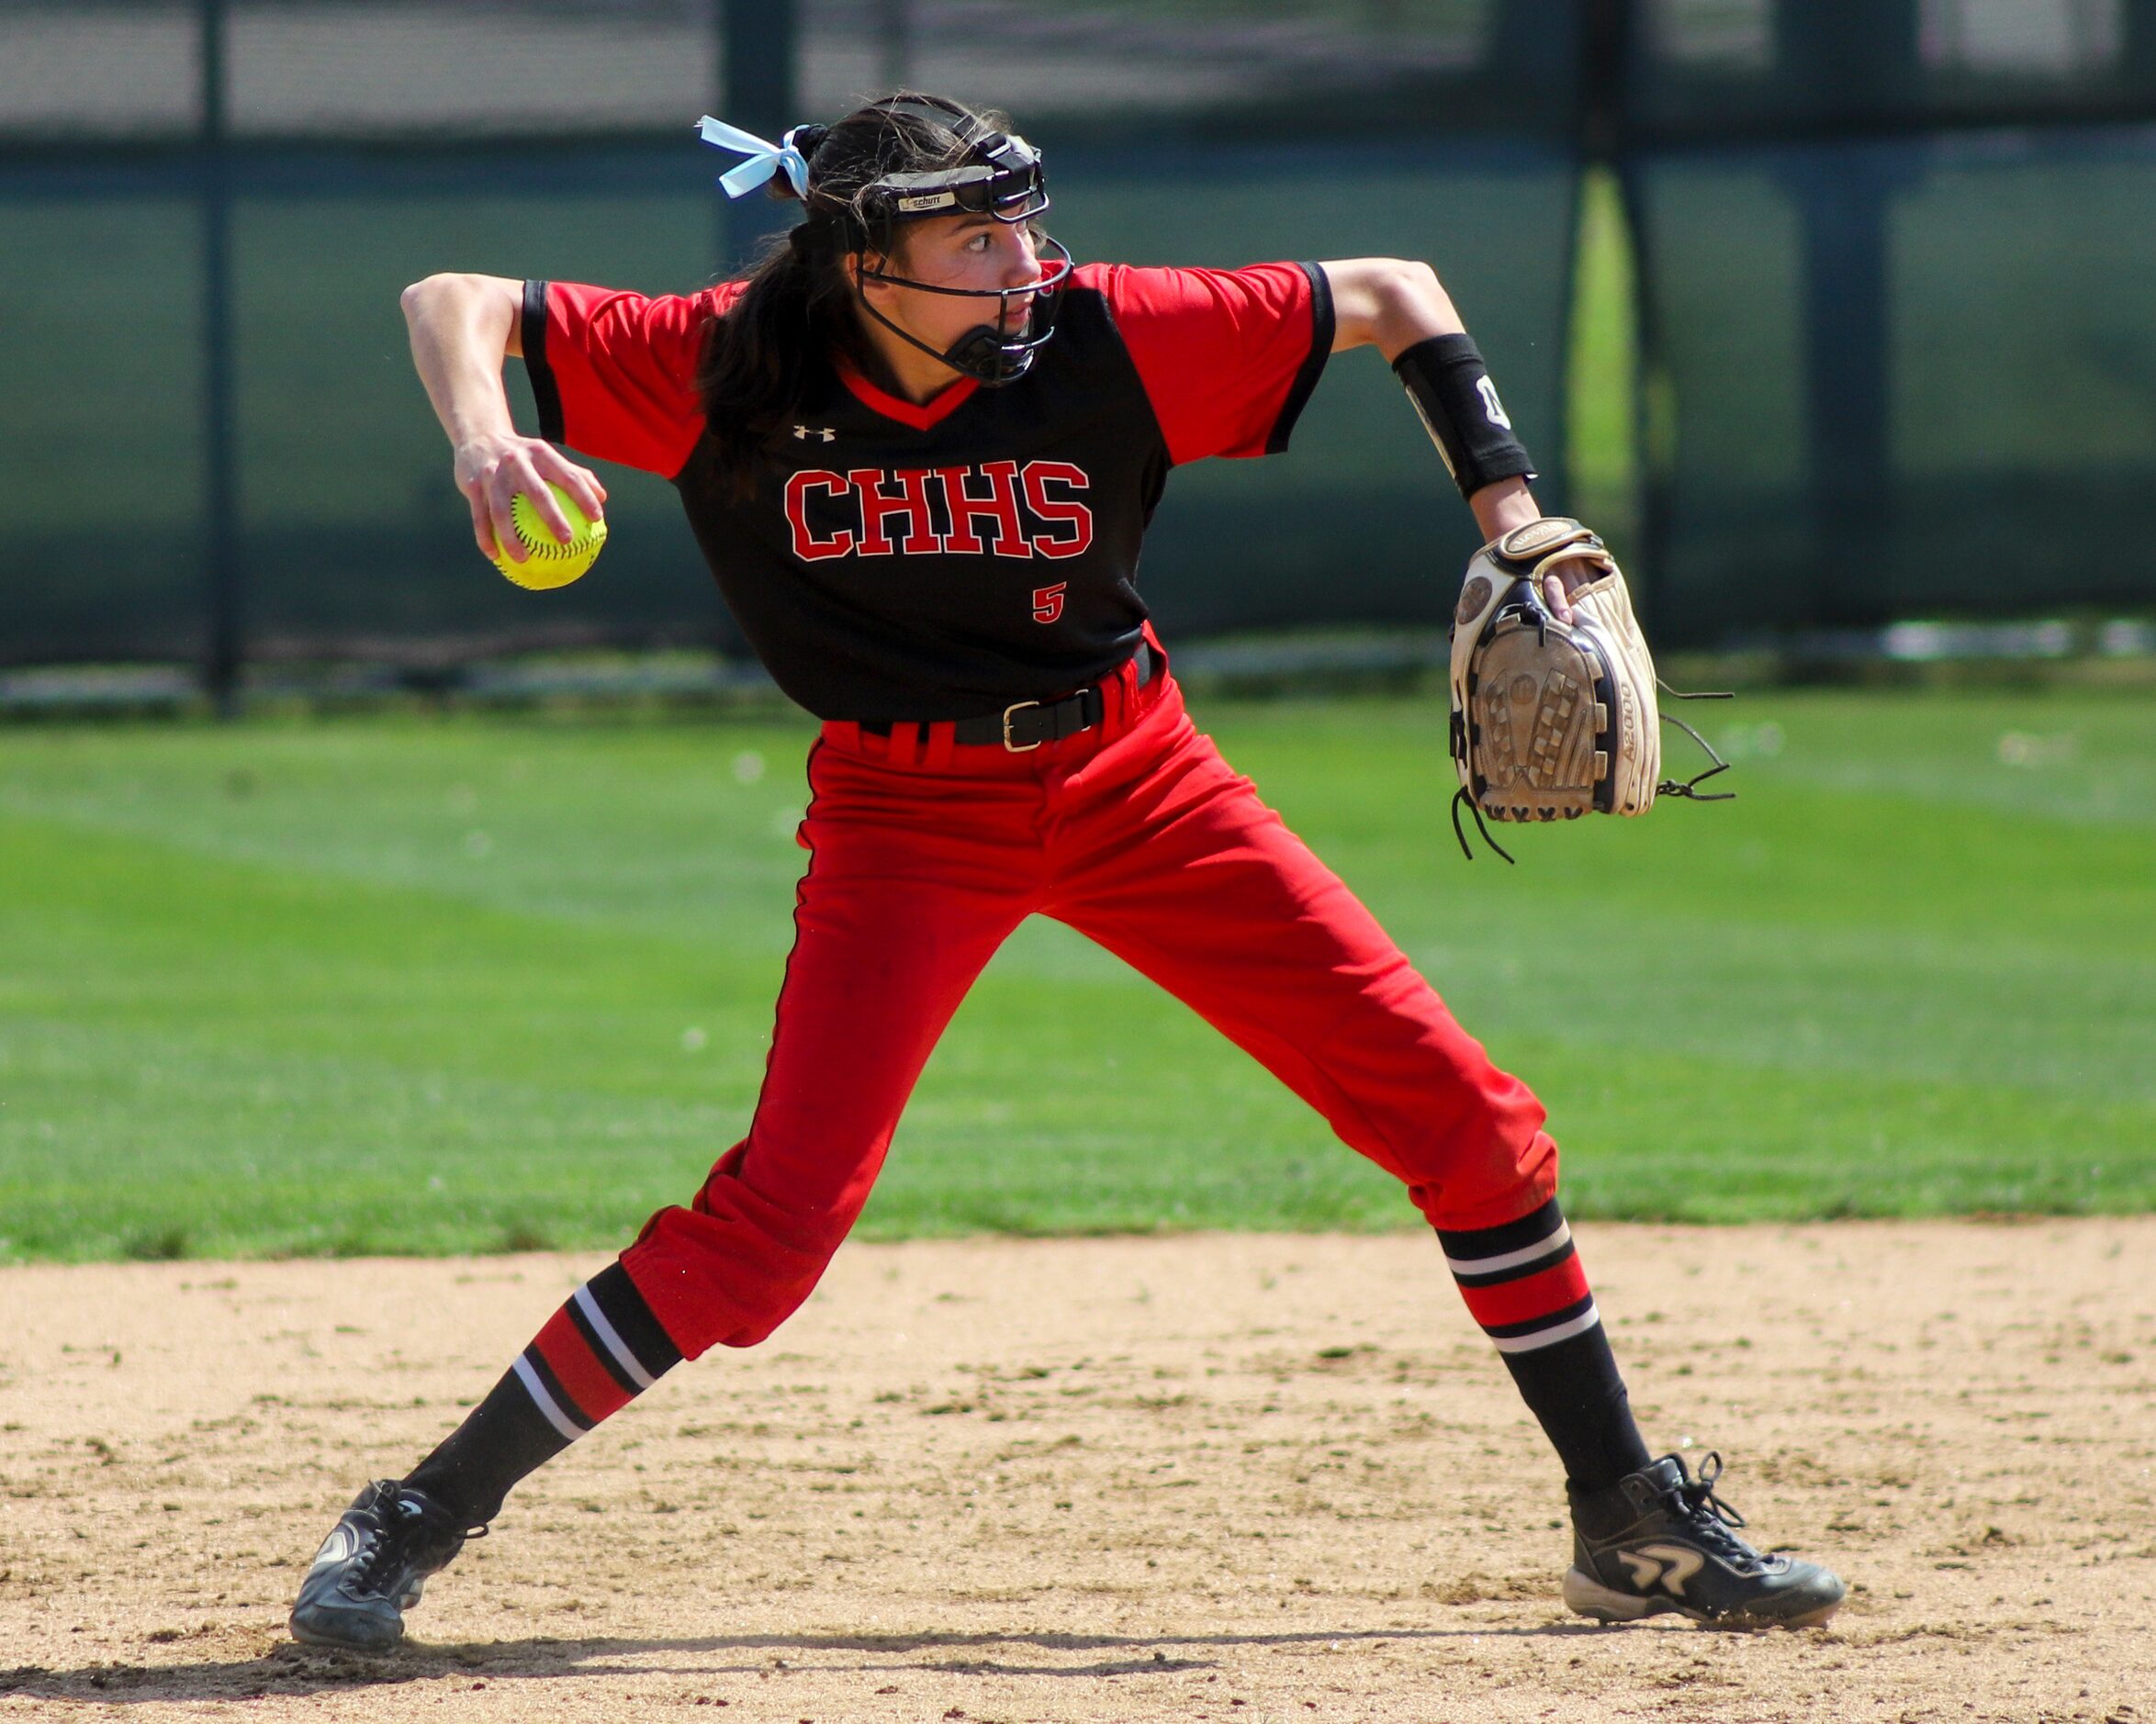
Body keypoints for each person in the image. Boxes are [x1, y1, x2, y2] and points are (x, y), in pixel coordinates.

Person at [288, 93, 1843, 1650]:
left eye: (1026, 224)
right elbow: (454, 302)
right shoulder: (731, 363)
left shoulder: (1106, 335)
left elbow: (1394, 295)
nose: (1023, 261)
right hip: (905, 815)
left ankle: (1628, 1518)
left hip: (1138, 777)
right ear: (861, 264)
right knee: (770, 1233)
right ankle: (412, 1516)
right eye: (977, 236)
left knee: (1474, 1128)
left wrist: (1510, 508)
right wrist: (490, 440)